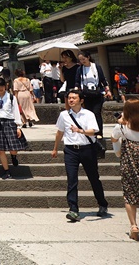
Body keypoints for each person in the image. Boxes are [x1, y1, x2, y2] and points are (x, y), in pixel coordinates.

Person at [51, 89, 108, 222]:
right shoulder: (64, 115)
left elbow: (94, 131)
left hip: (87, 149)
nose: (71, 100)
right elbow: (59, 132)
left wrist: (79, 131)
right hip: (70, 150)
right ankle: (73, 209)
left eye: (74, 98)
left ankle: (102, 204)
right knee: (72, 180)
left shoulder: (88, 114)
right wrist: (55, 148)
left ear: (81, 100)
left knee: (94, 178)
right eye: (69, 98)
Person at [110, 98, 139, 241]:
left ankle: (134, 226)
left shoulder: (122, 128)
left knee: (129, 195)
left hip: (129, 165)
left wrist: (121, 121)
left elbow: (113, 139)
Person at [0, 77, 28, 179]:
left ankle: (13, 156)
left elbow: (16, 112)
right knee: (0, 149)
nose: (0, 88)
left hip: (10, 122)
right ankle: (6, 170)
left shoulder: (11, 97)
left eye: (2, 86)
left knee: (13, 147)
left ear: (5, 86)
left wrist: (18, 126)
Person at [74, 51, 111, 141]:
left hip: (97, 93)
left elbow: (103, 79)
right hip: (86, 94)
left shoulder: (96, 67)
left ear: (88, 57)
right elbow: (77, 81)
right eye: (80, 60)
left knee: (96, 112)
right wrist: (76, 91)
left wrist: (108, 90)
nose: (82, 61)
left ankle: (99, 132)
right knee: (88, 114)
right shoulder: (80, 69)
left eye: (84, 59)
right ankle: (90, 132)